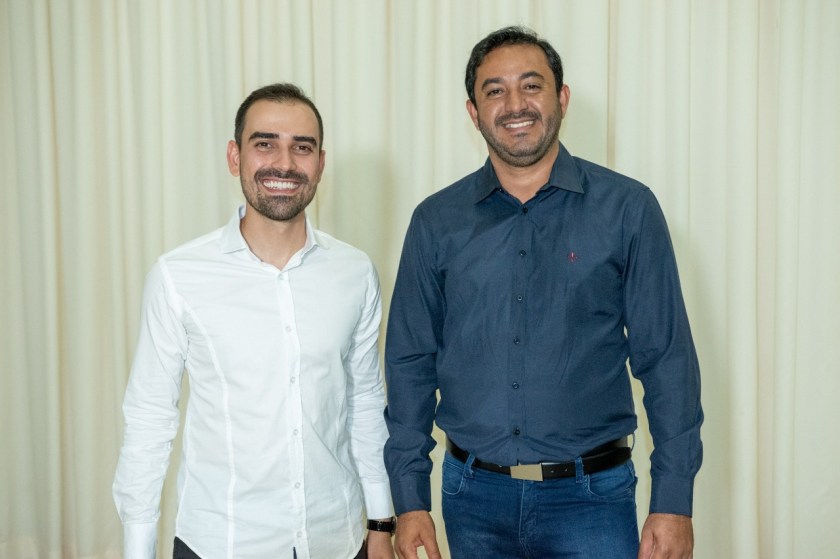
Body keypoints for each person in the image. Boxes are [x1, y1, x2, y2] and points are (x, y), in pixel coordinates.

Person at [383, 26, 703, 559]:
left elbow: (667, 360)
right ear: (473, 111)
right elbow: (410, 363)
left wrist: (674, 502)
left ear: (562, 98)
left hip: (593, 502)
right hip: (471, 500)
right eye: (495, 90)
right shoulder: (436, 222)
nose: (515, 104)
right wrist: (409, 498)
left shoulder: (628, 209)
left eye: (531, 86)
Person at [113, 83, 396, 559]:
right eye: (265, 144)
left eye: (301, 147)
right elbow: (149, 420)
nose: (284, 163)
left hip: (337, 538)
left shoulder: (355, 272)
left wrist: (381, 521)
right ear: (234, 156)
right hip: (221, 542)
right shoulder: (177, 276)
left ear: (320, 163)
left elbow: (365, 402)